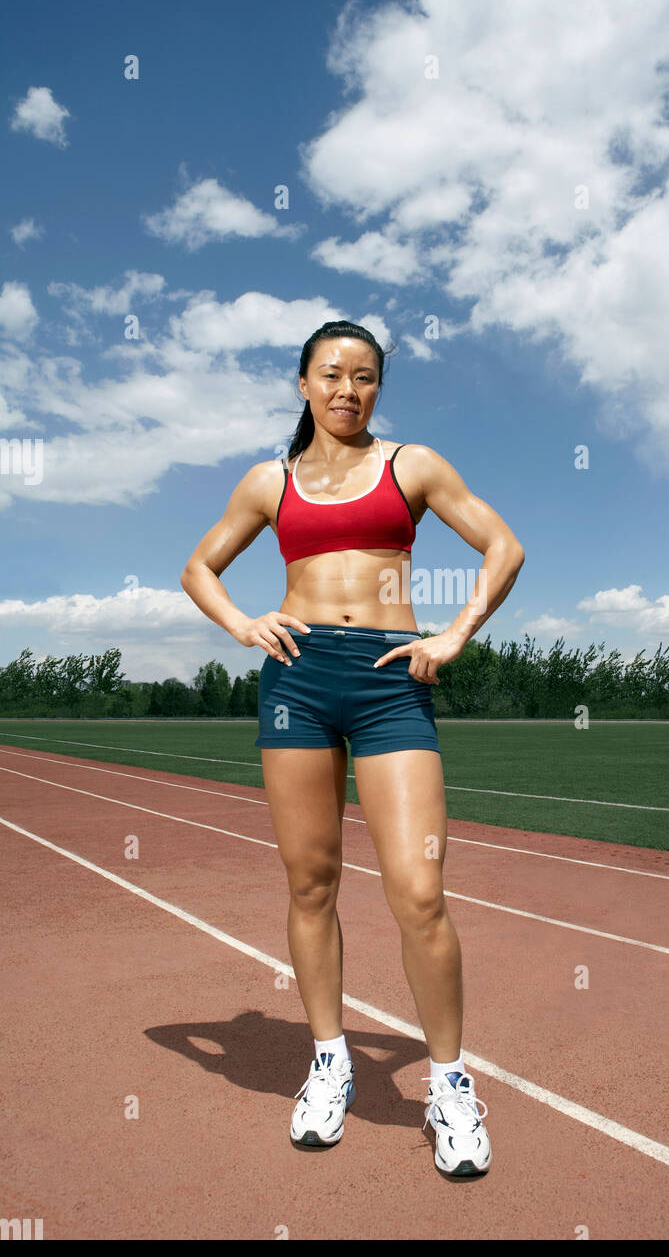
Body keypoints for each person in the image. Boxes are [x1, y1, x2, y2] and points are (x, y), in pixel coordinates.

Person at [180, 319, 524, 1177]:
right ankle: (329, 1061)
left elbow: (503, 547)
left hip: (388, 680)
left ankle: (448, 1084)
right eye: (331, 374)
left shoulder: (415, 465)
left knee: (419, 891)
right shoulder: (270, 481)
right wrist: (242, 624)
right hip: (298, 680)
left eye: (364, 376)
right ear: (303, 384)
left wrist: (453, 637)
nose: (347, 389)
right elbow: (198, 568)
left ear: (378, 389)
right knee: (312, 882)